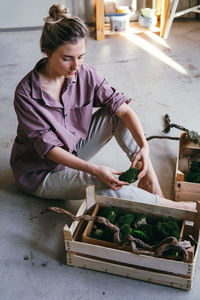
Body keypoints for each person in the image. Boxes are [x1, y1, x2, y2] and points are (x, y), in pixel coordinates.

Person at [10, 4, 196, 211]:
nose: (75, 66)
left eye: (81, 56)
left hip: (73, 149)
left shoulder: (84, 73)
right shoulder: (26, 94)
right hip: (43, 173)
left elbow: (123, 109)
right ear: (47, 51)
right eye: (67, 58)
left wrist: (144, 146)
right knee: (107, 185)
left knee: (115, 113)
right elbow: (51, 150)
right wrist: (95, 170)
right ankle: (173, 208)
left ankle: (150, 180)